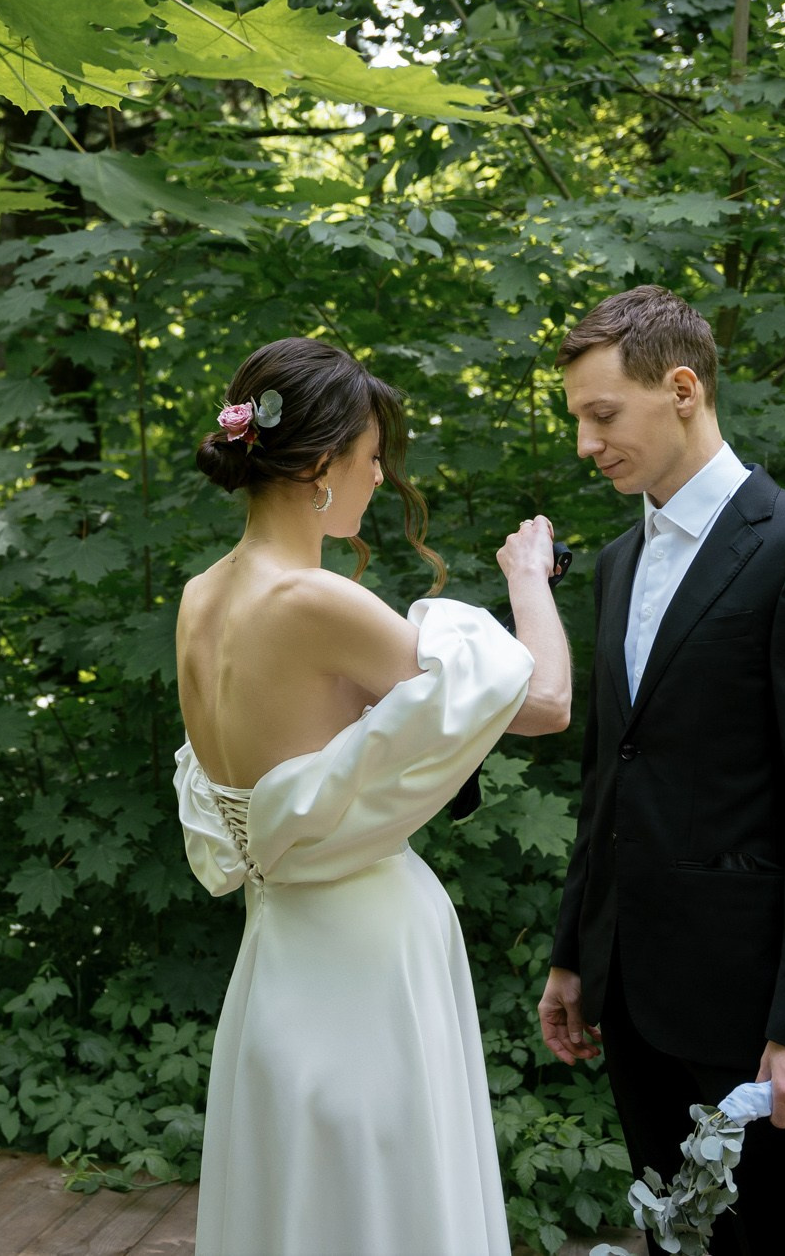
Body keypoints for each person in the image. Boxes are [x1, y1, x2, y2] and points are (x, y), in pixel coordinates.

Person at [172, 336, 572, 1255]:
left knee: (299, 1205)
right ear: (319, 466)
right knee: (383, 1209)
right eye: (368, 455)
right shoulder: (314, 601)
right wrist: (525, 582)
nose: (380, 473)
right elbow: (543, 702)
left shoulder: (200, 599)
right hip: (366, 960)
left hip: (274, 958)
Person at [537, 286, 785, 1256]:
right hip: (632, 988)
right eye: (576, 417)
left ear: (681, 387)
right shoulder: (615, 562)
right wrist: (576, 949)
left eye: (600, 413)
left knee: (780, 1239)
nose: (583, 440)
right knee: (673, 1234)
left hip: (752, 1005)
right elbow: (608, 777)